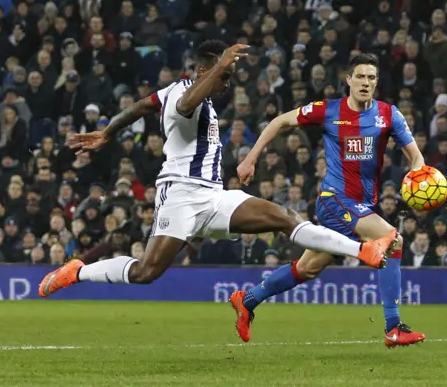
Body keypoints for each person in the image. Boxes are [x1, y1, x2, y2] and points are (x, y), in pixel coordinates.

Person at [38, 41, 397, 297]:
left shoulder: (168, 94)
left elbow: (141, 107)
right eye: (223, 77)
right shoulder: (186, 96)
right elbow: (185, 103)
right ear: (204, 71)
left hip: (213, 196)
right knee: (146, 272)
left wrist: (108, 131)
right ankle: (78, 270)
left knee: (286, 216)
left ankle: (361, 250)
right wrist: (219, 68)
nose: (227, 85)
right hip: (179, 195)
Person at [233, 54, 426, 348]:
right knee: (393, 240)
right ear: (348, 80)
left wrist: (418, 178)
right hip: (334, 200)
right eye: (359, 76)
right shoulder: (328, 110)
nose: (365, 82)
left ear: (376, 82)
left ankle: (247, 300)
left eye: (371, 77)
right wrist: (250, 157)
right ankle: (393, 327)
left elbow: (415, 156)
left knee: (308, 268)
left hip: (361, 207)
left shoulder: (389, 115)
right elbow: (281, 121)